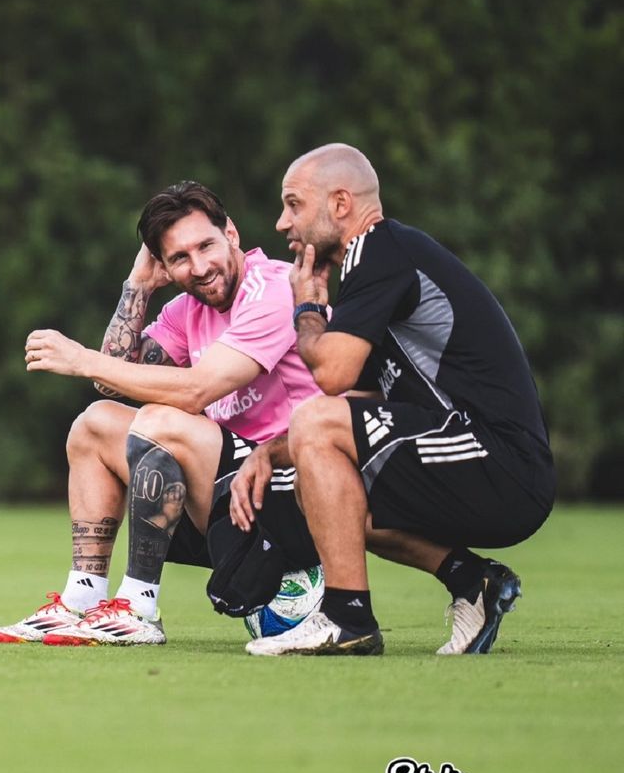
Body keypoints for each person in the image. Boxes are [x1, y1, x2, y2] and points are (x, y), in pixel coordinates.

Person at [236, 143, 554, 657]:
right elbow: (363, 397)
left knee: (316, 426)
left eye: (293, 204)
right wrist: (266, 454)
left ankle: (346, 618)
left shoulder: (380, 249)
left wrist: (309, 308)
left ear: (341, 204)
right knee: (329, 498)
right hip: (481, 458)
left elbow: (333, 379)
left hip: (501, 461)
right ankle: (473, 581)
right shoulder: (377, 265)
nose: (280, 223)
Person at [0, 182, 320, 646]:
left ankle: (139, 608)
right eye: (179, 258)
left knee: (159, 422)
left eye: (206, 245)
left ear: (233, 235)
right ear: (163, 266)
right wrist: (137, 285)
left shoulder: (274, 288)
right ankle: (81, 600)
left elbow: (198, 389)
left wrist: (81, 358)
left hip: (299, 494)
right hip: (231, 497)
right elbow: (111, 382)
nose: (199, 267)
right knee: (95, 423)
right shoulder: (187, 310)